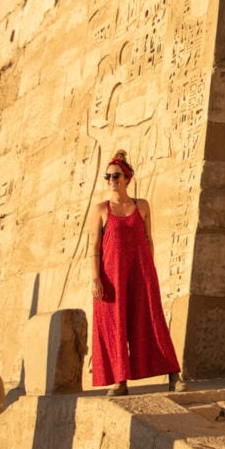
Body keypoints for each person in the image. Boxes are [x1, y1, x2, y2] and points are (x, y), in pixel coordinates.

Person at [89, 149, 181, 395]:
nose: (111, 181)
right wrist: (95, 278)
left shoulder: (142, 206)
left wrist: (149, 271)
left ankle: (174, 374)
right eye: (107, 177)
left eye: (116, 176)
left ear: (127, 178)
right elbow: (94, 248)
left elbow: (148, 238)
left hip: (140, 272)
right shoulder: (101, 210)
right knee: (114, 325)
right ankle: (120, 381)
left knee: (151, 321)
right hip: (111, 277)